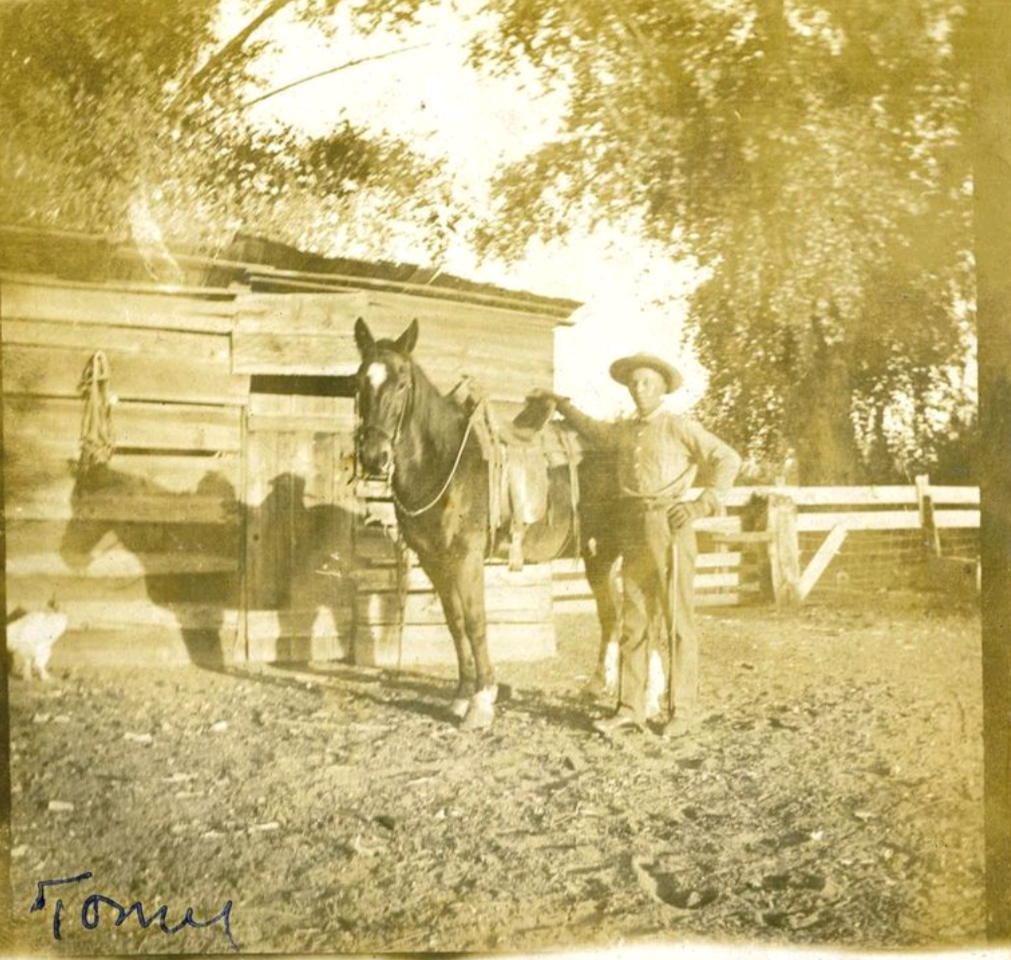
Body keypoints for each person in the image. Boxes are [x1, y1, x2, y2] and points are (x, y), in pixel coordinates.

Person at [536, 353, 741, 738]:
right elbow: (594, 430)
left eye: (646, 382)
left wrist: (702, 503)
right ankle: (630, 707)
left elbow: (728, 458)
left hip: (670, 524)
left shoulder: (678, 426)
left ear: (662, 387)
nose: (638, 389)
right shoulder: (625, 432)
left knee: (677, 621)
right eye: (633, 383)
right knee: (634, 618)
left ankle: (682, 711)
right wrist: (563, 404)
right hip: (631, 525)